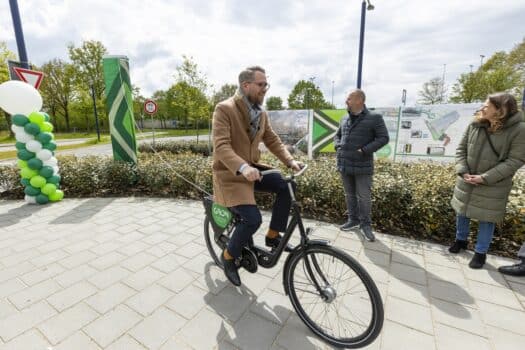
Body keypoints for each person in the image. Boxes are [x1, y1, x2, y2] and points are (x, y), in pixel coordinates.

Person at [212, 66, 301, 286]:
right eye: (261, 85)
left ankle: (273, 235)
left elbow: (271, 139)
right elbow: (221, 146)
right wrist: (242, 167)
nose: (265, 89)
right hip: (230, 173)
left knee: (284, 185)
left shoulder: (261, 113)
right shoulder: (224, 109)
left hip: (251, 168)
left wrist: (290, 161)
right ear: (246, 85)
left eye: (266, 84)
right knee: (252, 220)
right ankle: (229, 258)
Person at [449, 92, 525, 269]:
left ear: (500, 110)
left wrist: (485, 178)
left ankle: (480, 253)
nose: (482, 108)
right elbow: (460, 150)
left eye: (487, 106)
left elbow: (515, 160)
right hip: (467, 178)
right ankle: (460, 241)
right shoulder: (475, 124)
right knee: (462, 210)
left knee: (487, 218)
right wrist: (462, 171)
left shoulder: (519, 130)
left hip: (494, 183)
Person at [334, 89, 389, 242]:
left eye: (349, 98)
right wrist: (337, 145)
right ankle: (353, 220)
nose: (346, 101)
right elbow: (337, 135)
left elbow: (383, 138)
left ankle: (366, 225)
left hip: (362, 164)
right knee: (349, 195)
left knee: (364, 197)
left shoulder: (374, 117)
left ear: (359, 100)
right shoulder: (344, 118)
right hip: (344, 163)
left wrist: (364, 150)